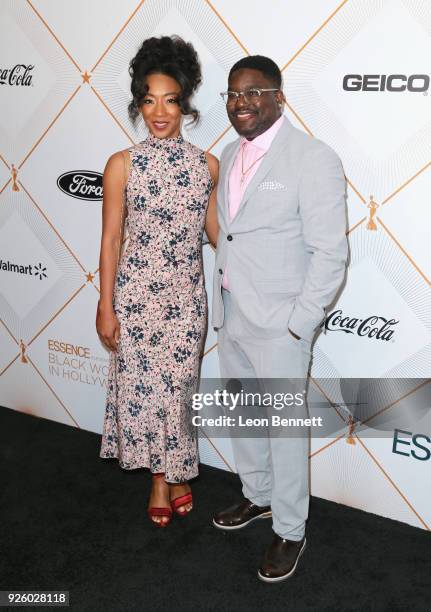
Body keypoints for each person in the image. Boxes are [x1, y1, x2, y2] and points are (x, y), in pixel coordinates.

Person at [212, 56, 347, 581]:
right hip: (233, 316)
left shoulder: (313, 157)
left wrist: (300, 322)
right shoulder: (228, 152)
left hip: (281, 325)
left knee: (285, 433)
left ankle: (291, 529)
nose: (240, 103)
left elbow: (330, 253)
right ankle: (258, 497)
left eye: (252, 92)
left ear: (279, 97)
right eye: (232, 94)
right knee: (245, 419)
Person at [97, 36, 218, 528]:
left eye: (169, 100)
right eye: (148, 100)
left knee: (178, 389)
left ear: (185, 103)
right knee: (144, 389)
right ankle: (160, 479)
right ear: (138, 104)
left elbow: (217, 236)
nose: (159, 111)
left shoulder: (207, 166)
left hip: (186, 300)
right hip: (136, 297)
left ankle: (176, 471)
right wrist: (106, 305)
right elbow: (109, 241)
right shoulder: (121, 164)